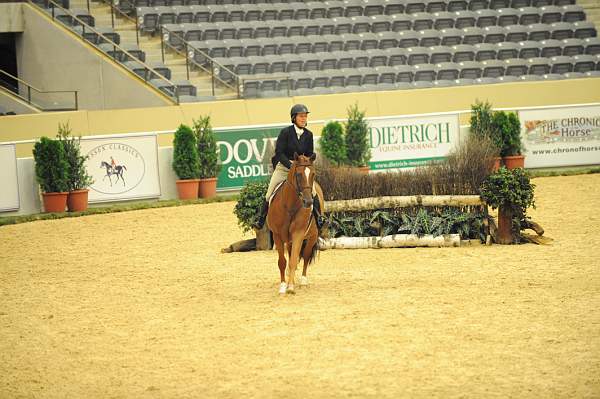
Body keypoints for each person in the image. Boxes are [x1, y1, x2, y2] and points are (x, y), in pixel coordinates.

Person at [254, 104, 324, 230]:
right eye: (301, 116)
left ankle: (319, 218)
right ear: (294, 118)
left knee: (312, 192)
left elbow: (309, 153)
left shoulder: (309, 135)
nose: (304, 119)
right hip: (284, 167)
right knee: (269, 193)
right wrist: (291, 165)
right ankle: (261, 220)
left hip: (301, 169)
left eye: (305, 116)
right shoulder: (285, 133)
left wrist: (305, 164)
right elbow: (279, 153)